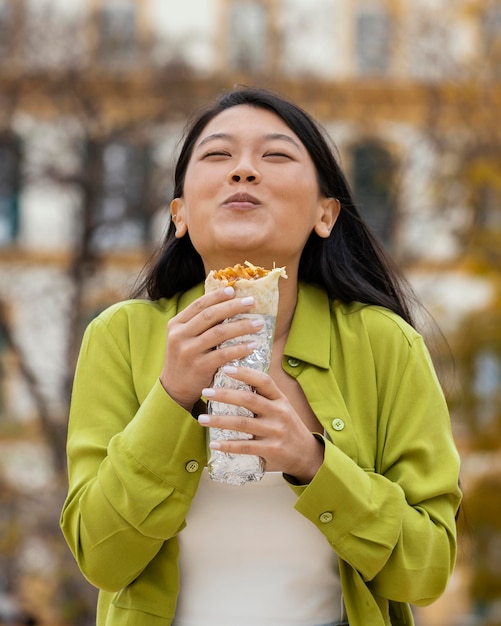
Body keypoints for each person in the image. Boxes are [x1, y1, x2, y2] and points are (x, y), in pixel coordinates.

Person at [60, 87, 462, 626]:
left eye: (275, 155)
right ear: (178, 214)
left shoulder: (386, 344)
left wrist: (312, 463)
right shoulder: (119, 337)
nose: (244, 171)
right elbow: (101, 556)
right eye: (218, 155)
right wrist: (172, 396)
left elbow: (427, 570)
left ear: (326, 213)